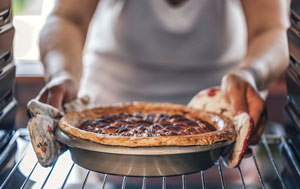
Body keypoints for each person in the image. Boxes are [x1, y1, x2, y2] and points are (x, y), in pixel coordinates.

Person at [38, 0, 290, 144]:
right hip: (104, 145)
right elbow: (67, 18)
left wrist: (249, 73)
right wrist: (64, 74)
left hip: (221, 144)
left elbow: (271, 30)